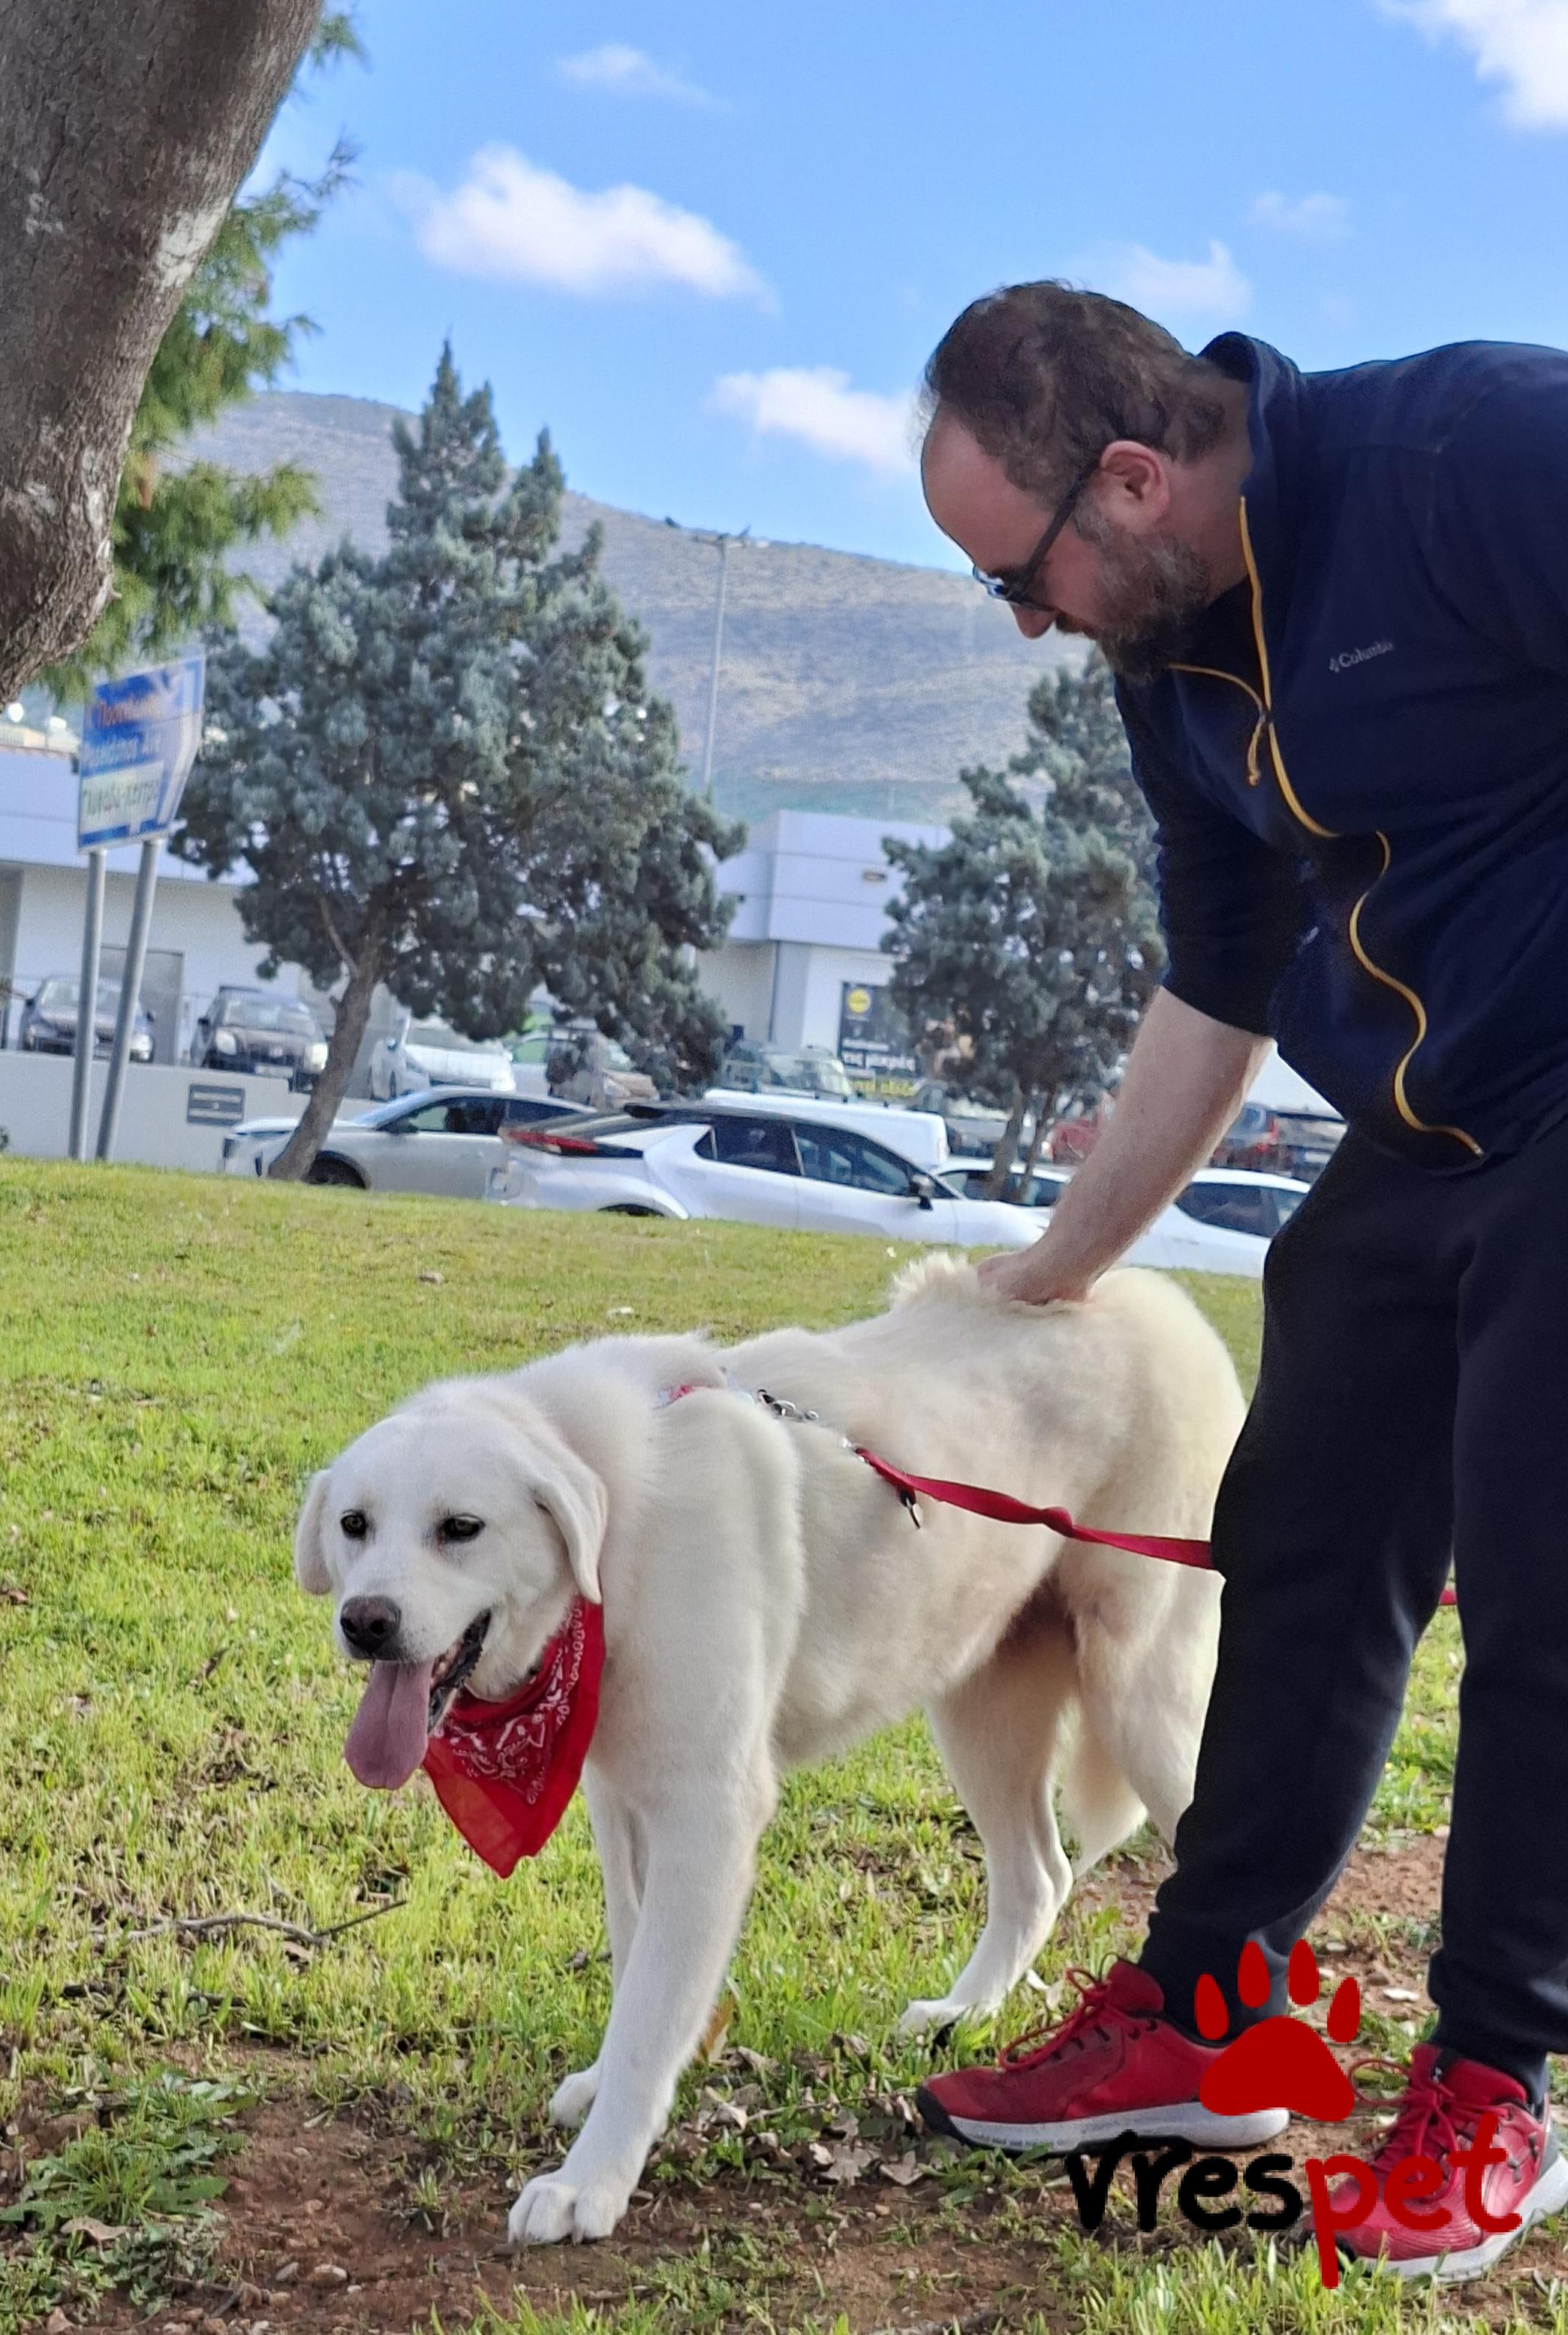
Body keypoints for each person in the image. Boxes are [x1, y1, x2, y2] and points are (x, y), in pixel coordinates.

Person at [913, 281, 1568, 2280]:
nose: (1024, 623)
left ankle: (1501, 2083)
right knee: (1296, 1532)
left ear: (1130, 478)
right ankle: (1212, 2021)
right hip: (1424, 1123)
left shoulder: (1472, 454)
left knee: (1542, 1571)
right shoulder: (1169, 645)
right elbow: (1221, 975)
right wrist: (1048, 1269)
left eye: (1018, 572)